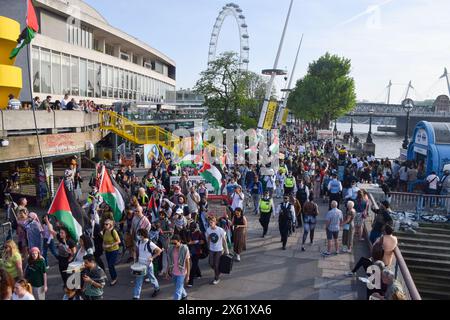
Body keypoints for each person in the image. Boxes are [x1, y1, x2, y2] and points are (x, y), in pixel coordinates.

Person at [132, 229, 162, 299]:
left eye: (139, 234)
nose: (138, 236)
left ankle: (157, 288)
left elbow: (159, 250)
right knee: (138, 280)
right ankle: (136, 296)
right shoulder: (138, 242)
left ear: (143, 235)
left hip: (148, 265)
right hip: (140, 265)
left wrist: (152, 257)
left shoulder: (150, 243)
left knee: (152, 278)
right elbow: (135, 249)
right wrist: (134, 255)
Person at [166, 234, 191, 300]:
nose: (173, 245)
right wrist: (167, 272)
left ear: (179, 241)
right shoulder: (170, 248)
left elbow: (187, 262)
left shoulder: (185, 248)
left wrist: (188, 275)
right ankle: (184, 295)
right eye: (172, 243)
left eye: (175, 243)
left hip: (181, 272)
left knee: (177, 290)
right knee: (178, 286)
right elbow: (169, 261)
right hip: (173, 272)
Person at [206, 216, 228, 285]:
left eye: (211, 222)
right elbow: (208, 239)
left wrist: (226, 250)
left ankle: (216, 278)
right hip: (212, 249)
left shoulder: (220, 230)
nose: (210, 224)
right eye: (209, 222)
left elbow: (224, 241)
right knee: (211, 263)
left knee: (216, 264)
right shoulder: (208, 230)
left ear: (215, 222)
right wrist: (208, 248)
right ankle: (218, 271)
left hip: (219, 249)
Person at [186, 222, 206, 288]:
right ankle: (199, 274)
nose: (191, 229)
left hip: (197, 251)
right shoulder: (188, 233)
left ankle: (190, 281)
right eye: (190, 227)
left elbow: (203, 241)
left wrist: (194, 242)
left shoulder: (199, 233)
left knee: (193, 265)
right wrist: (191, 242)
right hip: (191, 251)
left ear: (195, 228)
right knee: (195, 263)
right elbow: (188, 242)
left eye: (193, 228)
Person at [102, 219, 121, 286]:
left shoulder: (113, 231)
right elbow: (104, 240)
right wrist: (103, 245)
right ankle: (113, 276)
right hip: (107, 251)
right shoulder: (104, 231)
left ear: (110, 225)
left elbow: (119, 241)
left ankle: (114, 278)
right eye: (104, 224)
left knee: (111, 265)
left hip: (114, 250)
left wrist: (110, 245)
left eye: (106, 224)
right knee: (109, 265)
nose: (105, 225)